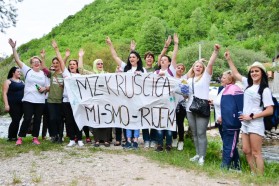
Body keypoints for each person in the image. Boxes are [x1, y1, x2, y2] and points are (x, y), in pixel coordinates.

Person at [225, 50, 273, 175]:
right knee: (246, 150)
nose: (254, 73)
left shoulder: (265, 90)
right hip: (245, 123)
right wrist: (229, 59)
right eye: (252, 71)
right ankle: (253, 173)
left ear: (262, 73)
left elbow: (269, 110)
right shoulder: (248, 85)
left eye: (257, 71)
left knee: (256, 152)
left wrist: (251, 116)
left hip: (255, 123)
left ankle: (260, 177)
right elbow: (235, 74)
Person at [106, 36, 147, 149]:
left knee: (136, 119)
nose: (131, 59)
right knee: (127, 119)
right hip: (126, 99)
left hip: (138, 99)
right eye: (130, 57)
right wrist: (110, 45)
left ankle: (135, 141)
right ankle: (128, 140)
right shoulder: (125, 68)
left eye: (133, 57)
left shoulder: (143, 70)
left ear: (138, 59)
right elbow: (115, 56)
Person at [8, 38, 48, 145]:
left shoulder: (43, 74)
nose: (36, 63)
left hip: (40, 100)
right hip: (28, 100)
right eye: (34, 62)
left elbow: (48, 86)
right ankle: (20, 137)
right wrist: (14, 48)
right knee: (27, 119)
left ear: (40, 63)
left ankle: (35, 138)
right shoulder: (27, 71)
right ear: (31, 64)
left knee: (38, 119)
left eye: (38, 61)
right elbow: (17, 59)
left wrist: (44, 88)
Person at [186, 44, 220, 165]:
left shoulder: (206, 77)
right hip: (189, 108)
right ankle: (197, 153)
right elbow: (186, 93)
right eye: (196, 66)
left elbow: (210, 64)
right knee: (194, 133)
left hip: (202, 108)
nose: (198, 67)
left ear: (203, 68)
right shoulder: (189, 80)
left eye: (200, 66)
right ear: (193, 67)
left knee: (201, 133)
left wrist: (215, 52)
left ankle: (202, 157)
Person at [52, 41, 85, 147]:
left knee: (77, 119)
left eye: (73, 64)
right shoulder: (66, 74)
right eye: (70, 64)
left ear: (76, 66)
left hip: (77, 102)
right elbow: (61, 61)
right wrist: (56, 49)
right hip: (66, 101)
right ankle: (71, 139)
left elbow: (81, 67)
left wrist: (80, 57)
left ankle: (79, 139)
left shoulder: (80, 76)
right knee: (69, 121)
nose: (71, 65)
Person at [212, 70, 243, 171]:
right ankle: (237, 166)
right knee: (228, 144)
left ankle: (224, 166)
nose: (221, 79)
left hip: (230, 122)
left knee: (229, 145)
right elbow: (223, 104)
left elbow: (238, 107)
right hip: (221, 122)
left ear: (230, 79)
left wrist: (225, 117)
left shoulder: (235, 89)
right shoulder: (223, 89)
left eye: (224, 78)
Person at [155, 33, 179, 152]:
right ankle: (159, 144)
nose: (162, 61)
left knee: (169, 122)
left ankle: (168, 144)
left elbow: (174, 57)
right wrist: (165, 47)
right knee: (159, 123)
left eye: (165, 60)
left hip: (170, 101)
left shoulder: (171, 71)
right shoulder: (155, 73)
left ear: (169, 63)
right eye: (162, 60)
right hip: (159, 101)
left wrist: (176, 44)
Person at [91, 58, 112, 147]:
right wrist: (80, 57)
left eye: (101, 63)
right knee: (97, 119)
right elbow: (80, 69)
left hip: (105, 101)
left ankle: (106, 140)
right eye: (98, 64)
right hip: (96, 101)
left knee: (106, 118)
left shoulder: (107, 74)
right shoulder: (91, 75)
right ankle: (97, 140)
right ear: (95, 65)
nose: (100, 65)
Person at [2, 66, 25, 141]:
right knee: (15, 119)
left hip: (22, 104)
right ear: (13, 72)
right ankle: (11, 136)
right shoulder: (8, 81)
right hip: (12, 104)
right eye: (18, 71)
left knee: (18, 120)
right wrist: (6, 104)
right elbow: (4, 93)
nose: (19, 73)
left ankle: (14, 136)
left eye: (20, 71)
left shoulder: (22, 82)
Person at [172, 63, 188, 151]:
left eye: (182, 69)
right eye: (178, 68)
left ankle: (181, 141)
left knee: (180, 123)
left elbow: (186, 92)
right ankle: (174, 139)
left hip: (181, 104)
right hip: (171, 104)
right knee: (173, 122)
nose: (180, 69)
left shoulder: (184, 80)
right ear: (175, 69)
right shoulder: (171, 79)